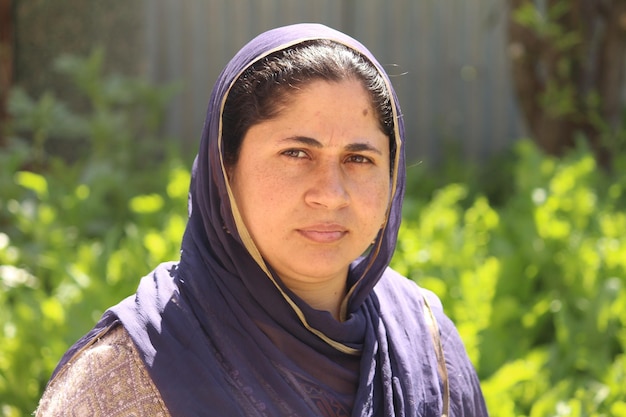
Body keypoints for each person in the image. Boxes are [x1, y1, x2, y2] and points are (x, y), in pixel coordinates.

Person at [36, 23, 489, 416]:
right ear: (224, 169)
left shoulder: (428, 348)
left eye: (358, 158)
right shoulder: (125, 379)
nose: (331, 194)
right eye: (296, 153)